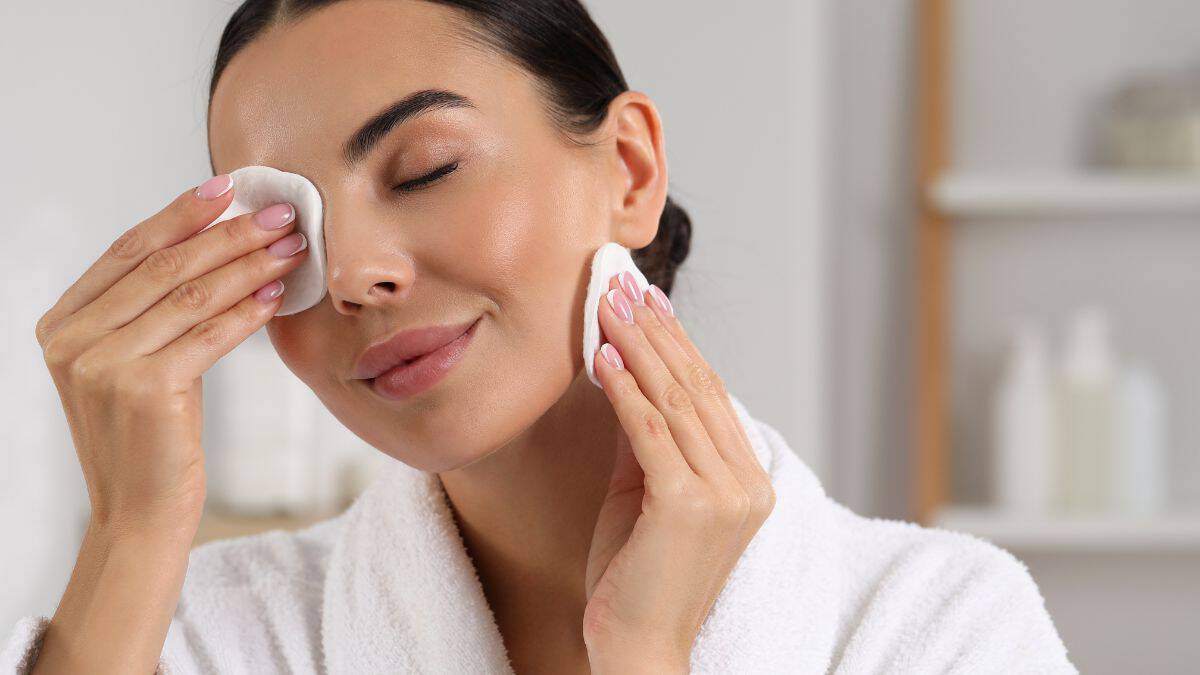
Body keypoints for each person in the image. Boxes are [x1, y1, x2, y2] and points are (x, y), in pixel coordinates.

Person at [3, 1, 1077, 673]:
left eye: (425, 169)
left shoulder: (931, 627)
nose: (357, 275)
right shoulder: (207, 636)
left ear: (630, 172)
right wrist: (133, 532)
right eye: (289, 231)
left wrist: (645, 656)